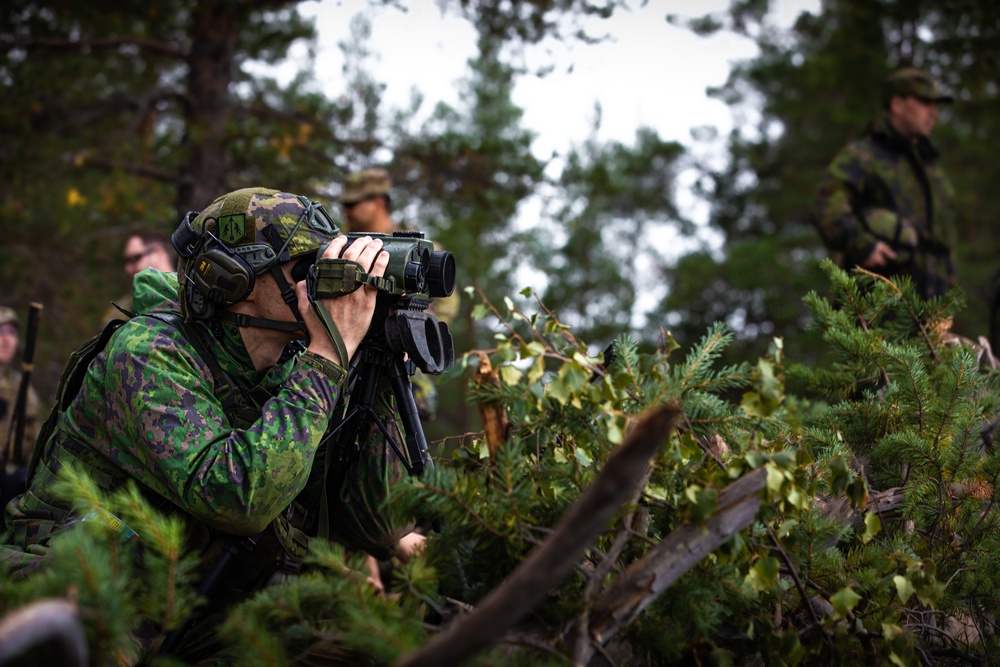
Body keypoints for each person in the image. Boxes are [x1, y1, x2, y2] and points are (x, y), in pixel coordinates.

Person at [2, 188, 411, 654]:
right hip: (77, 591)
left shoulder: (288, 370)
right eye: (305, 271)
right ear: (235, 280)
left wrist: (375, 365)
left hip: (193, 601)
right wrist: (327, 357)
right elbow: (238, 497)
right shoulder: (150, 352)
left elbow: (374, 521)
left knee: (362, 645)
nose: (322, 286)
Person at [812, 67, 958, 300]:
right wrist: (862, 244)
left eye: (936, 105)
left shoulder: (931, 169)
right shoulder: (864, 155)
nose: (933, 112)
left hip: (931, 309)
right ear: (897, 104)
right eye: (924, 102)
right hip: (878, 308)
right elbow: (827, 206)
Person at [0, 306, 41, 507]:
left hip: (10, 483)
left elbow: (35, 444)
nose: (6, 339)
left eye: (12, 333)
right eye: (1, 331)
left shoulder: (22, 389)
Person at [105, 230, 177, 321]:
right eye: (127, 261)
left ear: (159, 253)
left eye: (135, 258)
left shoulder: (192, 291)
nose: (128, 268)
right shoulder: (121, 311)